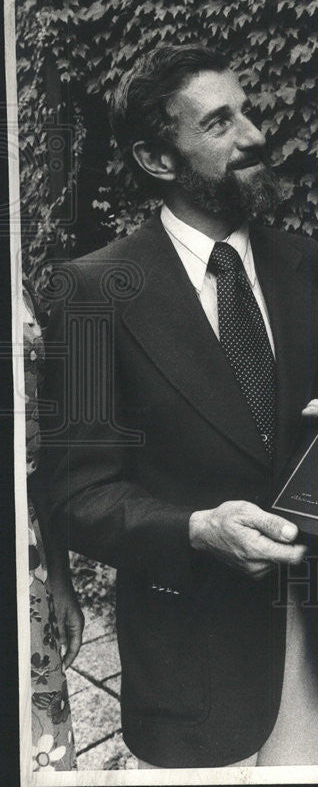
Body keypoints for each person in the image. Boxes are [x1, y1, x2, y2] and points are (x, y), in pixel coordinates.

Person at [40, 44, 318, 768]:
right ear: (159, 161)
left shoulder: (301, 262)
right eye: (221, 123)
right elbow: (75, 492)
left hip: (311, 633)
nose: (254, 134)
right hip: (189, 654)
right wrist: (195, 529)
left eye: (247, 110)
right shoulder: (93, 291)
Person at [24, 284, 82, 772]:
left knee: (40, 750)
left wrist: (59, 576)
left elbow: (39, 459)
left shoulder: (17, 279)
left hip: (27, 560)